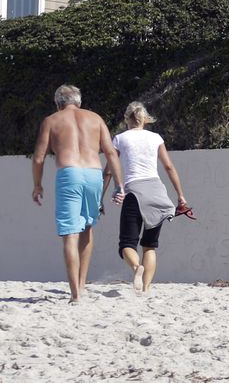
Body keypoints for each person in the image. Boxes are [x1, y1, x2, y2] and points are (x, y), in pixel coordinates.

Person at [31, 84, 124, 303]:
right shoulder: (95, 118)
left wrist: (37, 185)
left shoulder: (52, 120)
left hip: (69, 173)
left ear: (57, 103)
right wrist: (120, 184)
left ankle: (75, 295)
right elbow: (110, 152)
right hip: (93, 174)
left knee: (69, 234)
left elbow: (38, 157)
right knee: (87, 226)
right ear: (79, 101)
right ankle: (81, 284)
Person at [104, 101, 189, 295]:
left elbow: (108, 171)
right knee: (150, 246)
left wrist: (100, 197)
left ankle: (136, 269)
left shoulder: (120, 139)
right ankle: (147, 289)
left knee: (127, 243)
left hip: (134, 192)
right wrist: (181, 197)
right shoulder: (155, 138)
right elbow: (168, 167)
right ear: (144, 119)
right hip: (158, 193)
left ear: (127, 119)